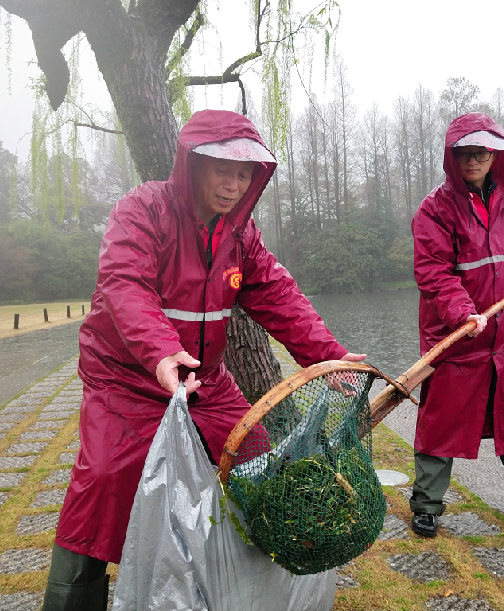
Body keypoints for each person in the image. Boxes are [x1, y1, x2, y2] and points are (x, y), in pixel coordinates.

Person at [42, 109, 365, 610]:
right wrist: (162, 351)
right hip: (127, 380)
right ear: (192, 164)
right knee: (103, 482)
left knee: (257, 456)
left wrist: (331, 356)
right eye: (223, 171)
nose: (233, 186)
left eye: (244, 175)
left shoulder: (241, 235)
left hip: (205, 381)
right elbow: (124, 286)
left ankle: (242, 584)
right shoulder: (143, 209)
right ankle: (71, 599)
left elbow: (278, 295)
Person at [409, 112, 504, 538]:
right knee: (441, 419)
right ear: (452, 159)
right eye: (465, 155)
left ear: (495, 156)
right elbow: (434, 273)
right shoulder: (434, 210)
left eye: (481, 153)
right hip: (456, 340)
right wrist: (463, 313)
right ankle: (426, 505)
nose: (473, 161)